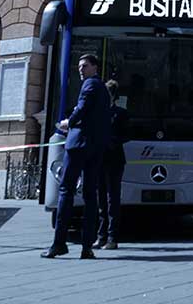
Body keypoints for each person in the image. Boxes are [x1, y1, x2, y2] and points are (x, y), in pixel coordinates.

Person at [44, 54, 109, 259]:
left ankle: (59, 243)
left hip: (79, 145)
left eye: (85, 66)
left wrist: (68, 122)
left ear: (95, 68)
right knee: (91, 196)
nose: (80, 69)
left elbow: (82, 108)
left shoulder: (90, 85)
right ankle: (86, 247)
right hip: (96, 147)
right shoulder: (104, 90)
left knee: (66, 191)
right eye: (79, 66)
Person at [93, 79, 129, 251]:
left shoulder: (120, 113)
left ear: (113, 95)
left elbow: (126, 135)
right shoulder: (98, 113)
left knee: (112, 199)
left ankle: (113, 237)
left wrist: (111, 142)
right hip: (100, 159)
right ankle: (101, 236)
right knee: (101, 199)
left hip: (115, 159)